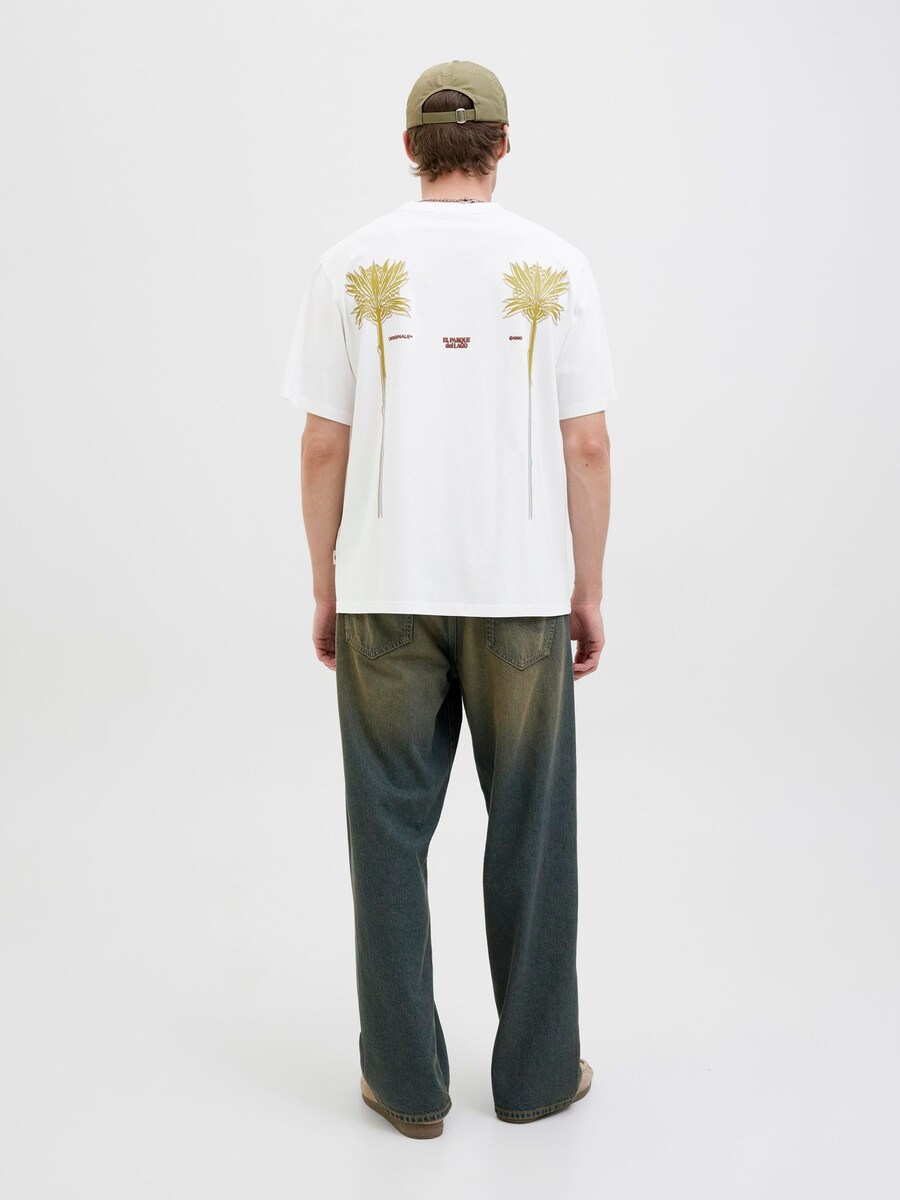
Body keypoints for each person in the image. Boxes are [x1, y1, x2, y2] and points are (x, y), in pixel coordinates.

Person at [280, 59, 615, 1138]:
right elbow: (588, 445)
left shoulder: (348, 263)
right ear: (503, 146)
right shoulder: (557, 264)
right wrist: (586, 587)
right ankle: (537, 1076)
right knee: (533, 833)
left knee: (386, 832)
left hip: (385, 588)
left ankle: (408, 1087)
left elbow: (323, 443)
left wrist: (328, 579)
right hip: (521, 593)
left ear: (409, 148)